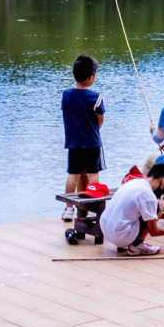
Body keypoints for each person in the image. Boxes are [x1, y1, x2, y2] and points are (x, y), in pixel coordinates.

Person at [98, 162, 164, 256]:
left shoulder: (136, 182)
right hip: (119, 235)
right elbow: (154, 231)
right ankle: (136, 246)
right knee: (159, 205)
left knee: (147, 209)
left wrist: (163, 215)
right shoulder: (149, 195)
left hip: (106, 229)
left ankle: (125, 243)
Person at [62, 54, 106, 218]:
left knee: (72, 174)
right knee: (93, 175)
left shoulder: (66, 95)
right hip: (92, 143)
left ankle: (68, 208)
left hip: (73, 143)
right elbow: (99, 121)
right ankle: (94, 206)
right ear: (90, 78)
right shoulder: (97, 98)